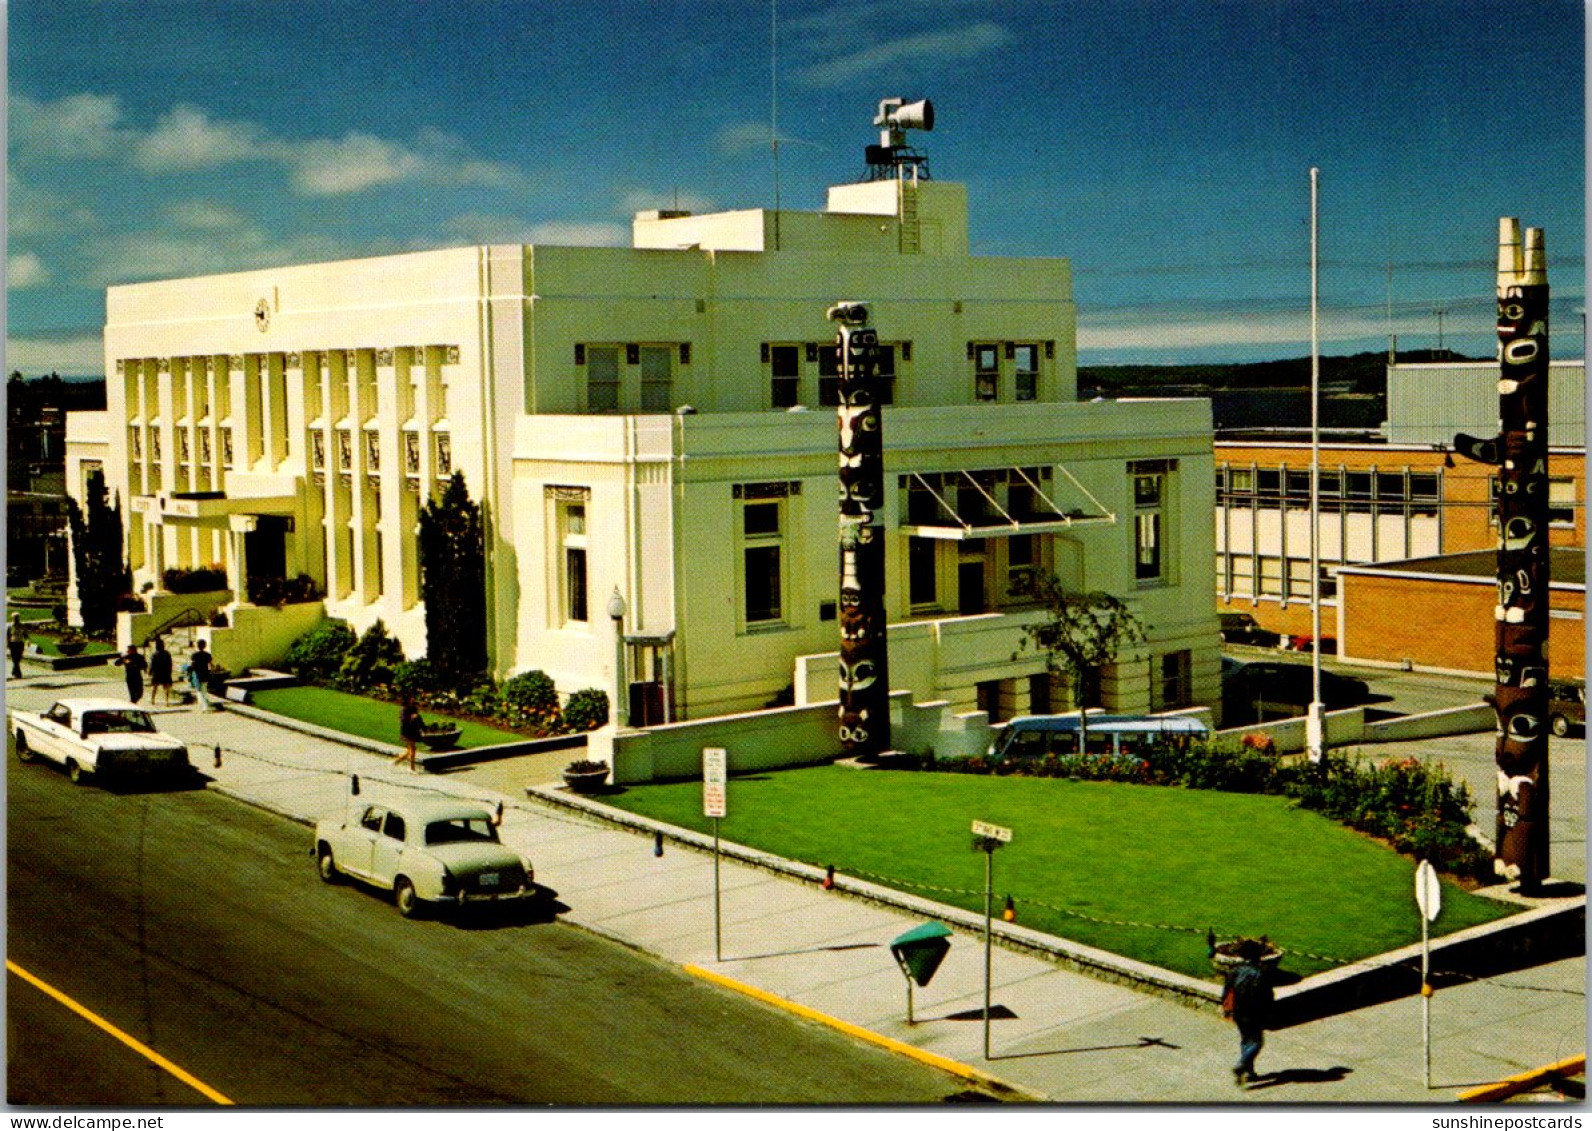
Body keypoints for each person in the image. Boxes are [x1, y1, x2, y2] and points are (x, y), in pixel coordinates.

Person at [1222, 938, 1275, 1085]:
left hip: (1238, 1011)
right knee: (1256, 1041)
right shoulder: (1260, 973)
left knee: (1246, 1039)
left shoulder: (1234, 971)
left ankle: (1249, 1072)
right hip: (1254, 1011)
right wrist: (1269, 1011)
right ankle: (1242, 1064)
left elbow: (1227, 992)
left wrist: (1226, 1009)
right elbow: (1267, 995)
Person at [396, 698, 423, 771]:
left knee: (409, 751)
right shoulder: (404, 709)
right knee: (413, 749)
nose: (413, 700)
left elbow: (419, 719)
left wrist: (423, 727)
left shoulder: (414, 708)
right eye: (411, 699)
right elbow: (403, 721)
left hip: (414, 731)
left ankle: (396, 762)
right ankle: (412, 768)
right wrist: (411, 718)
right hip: (407, 731)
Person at [186, 639, 213, 712]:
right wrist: (211, 671)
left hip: (197, 674)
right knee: (204, 690)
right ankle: (205, 706)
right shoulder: (208, 655)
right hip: (205, 674)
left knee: (199, 690)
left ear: (197, 646)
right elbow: (211, 665)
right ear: (205, 646)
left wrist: (189, 673)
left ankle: (203, 706)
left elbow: (191, 665)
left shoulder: (194, 655)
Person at [148, 637, 174, 706]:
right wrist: (170, 671)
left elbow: (152, 664)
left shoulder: (155, 654)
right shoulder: (167, 654)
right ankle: (166, 701)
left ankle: (152, 699)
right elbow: (170, 663)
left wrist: (150, 671)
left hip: (157, 672)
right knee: (166, 688)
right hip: (165, 672)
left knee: (154, 687)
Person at [8, 614, 25, 679]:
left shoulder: (22, 626)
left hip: (20, 643)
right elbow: (8, 635)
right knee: (14, 658)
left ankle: (14, 671)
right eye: (15, 618)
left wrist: (27, 641)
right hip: (13, 643)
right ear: (12, 618)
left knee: (18, 658)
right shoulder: (10, 626)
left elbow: (25, 634)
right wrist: (8, 643)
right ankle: (18, 673)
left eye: (17, 618)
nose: (16, 619)